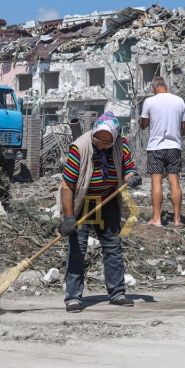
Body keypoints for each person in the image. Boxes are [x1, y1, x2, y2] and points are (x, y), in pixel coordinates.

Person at [60, 111, 142, 313]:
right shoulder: (80, 147)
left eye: (106, 142)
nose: (101, 144)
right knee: (77, 249)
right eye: (98, 139)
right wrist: (69, 217)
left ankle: (117, 293)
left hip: (107, 200)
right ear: (93, 132)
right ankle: (73, 298)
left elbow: (128, 168)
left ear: (114, 138)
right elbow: (67, 186)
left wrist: (132, 177)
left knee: (112, 246)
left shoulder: (120, 144)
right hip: (82, 201)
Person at [139, 76, 185, 228]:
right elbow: (184, 126)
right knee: (175, 182)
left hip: (156, 148)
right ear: (166, 86)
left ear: (153, 88)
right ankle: (177, 219)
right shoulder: (179, 101)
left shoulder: (149, 102)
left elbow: (143, 125)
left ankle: (157, 219)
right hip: (174, 146)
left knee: (156, 182)